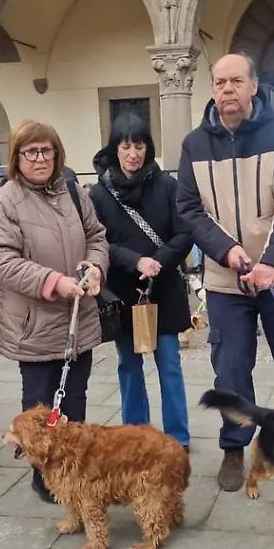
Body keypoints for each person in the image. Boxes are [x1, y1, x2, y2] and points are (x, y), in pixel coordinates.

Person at [175, 53, 274, 492]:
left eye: (236, 80)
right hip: (226, 281)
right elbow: (188, 209)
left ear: (253, 86)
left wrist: (271, 261)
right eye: (220, 81)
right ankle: (235, 446)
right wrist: (229, 251)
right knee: (231, 368)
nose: (228, 89)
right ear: (212, 89)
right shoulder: (194, 145)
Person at [0, 120, 109, 503]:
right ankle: (46, 474)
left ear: (57, 155)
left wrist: (94, 266)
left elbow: (96, 236)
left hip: (78, 318)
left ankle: (76, 469)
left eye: (46, 151)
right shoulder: (4, 200)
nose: (39, 159)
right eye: (30, 152)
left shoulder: (73, 190)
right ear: (17, 157)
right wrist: (53, 281)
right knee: (39, 407)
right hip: (34, 323)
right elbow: (0, 258)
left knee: (75, 399)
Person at [89, 113, 192, 449]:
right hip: (125, 293)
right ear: (115, 148)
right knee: (129, 367)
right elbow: (99, 241)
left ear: (148, 148)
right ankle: (136, 436)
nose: (133, 153)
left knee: (170, 365)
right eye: (126, 146)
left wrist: (158, 262)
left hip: (164, 291)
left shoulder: (167, 186)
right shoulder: (100, 195)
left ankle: (177, 438)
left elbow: (184, 233)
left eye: (139, 145)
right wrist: (135, 261)